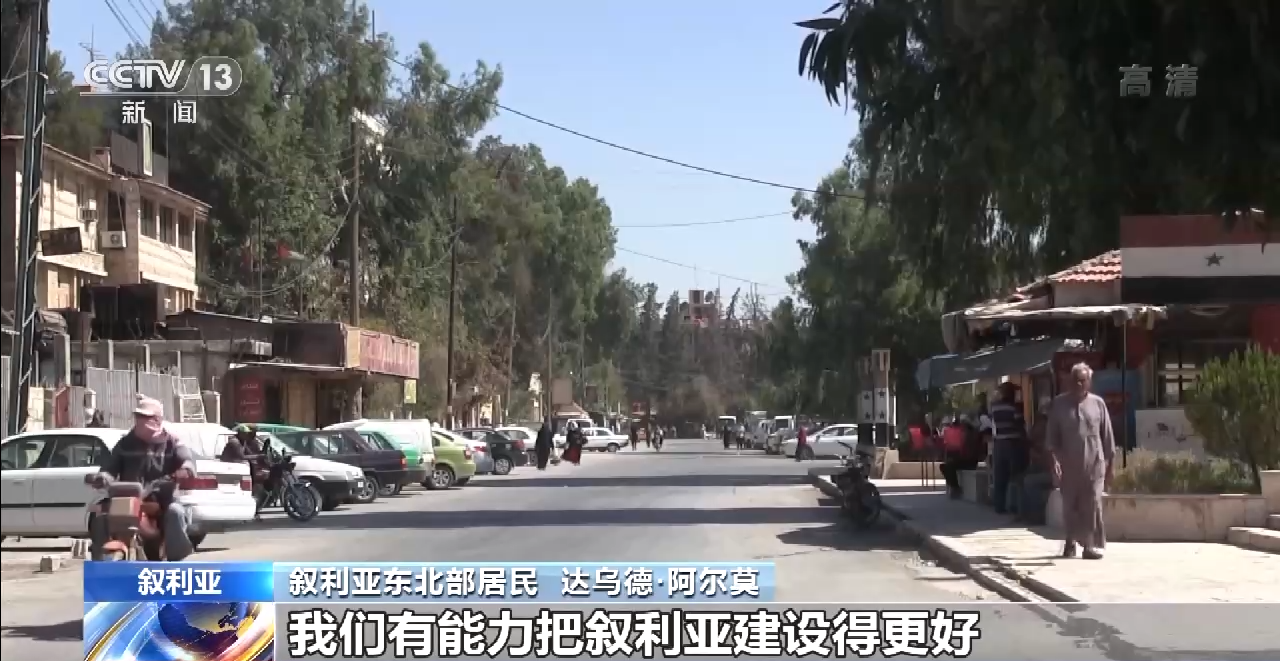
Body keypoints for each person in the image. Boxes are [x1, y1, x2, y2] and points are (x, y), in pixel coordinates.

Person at [87, 396, 196, 561]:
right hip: (129, 499)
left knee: (176, 512)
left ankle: (176, 560)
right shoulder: (125, 443)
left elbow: (187, 461)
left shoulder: (172, 443)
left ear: (158, 419)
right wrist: (102, 477)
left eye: (145, 417)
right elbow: (109, 467)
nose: (140, 421)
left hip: (162, 499)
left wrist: (185, 470)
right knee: (100, 514)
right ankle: (100, 561)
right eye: (138, 416)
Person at [1046, 363, 1116, 560]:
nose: (1078, 384)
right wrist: (1054, 462)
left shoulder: (1098, 404)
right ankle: (1070, 541)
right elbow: (1051, 438)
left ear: (1089, 382)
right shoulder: (1059, 404)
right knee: (1070, 506)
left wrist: (1111, 466)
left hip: (1095, 464)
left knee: (1093, 503)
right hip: (1068, 465)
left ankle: (1089, 546)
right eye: (1075, 380)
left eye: (1082, 380)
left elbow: (1107, 436)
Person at [988, 382, 1029, 515]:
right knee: (1017, 474)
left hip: (999, 443)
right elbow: (1020, 425)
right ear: (1011, 393)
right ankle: (1015, 505)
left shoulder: (994, 407)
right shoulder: (1014, 407)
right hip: (1013, 443)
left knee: (1000, 476)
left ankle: (999, 506)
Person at [939, 416, 985, 499]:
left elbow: (971, 452)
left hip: (970, 460)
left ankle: (955, 487)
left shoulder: (971, 435)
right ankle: (954, 486)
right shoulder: (966, 434)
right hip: (965, 458)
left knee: (949, 466)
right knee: (944, 466)